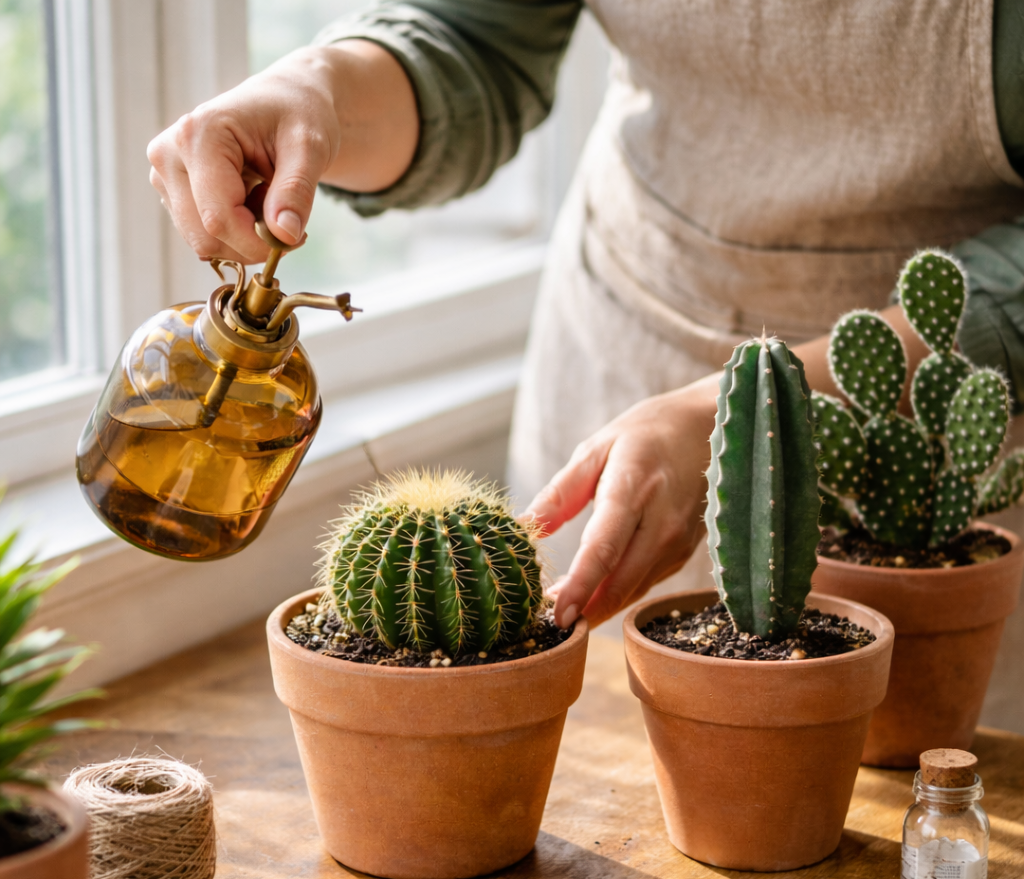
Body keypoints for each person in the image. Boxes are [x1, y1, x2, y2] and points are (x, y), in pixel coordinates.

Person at [149, 0, 1024, 634]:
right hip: (631, 333)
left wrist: (734, 413)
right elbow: (476, 39)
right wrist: (320, 93)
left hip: (941, 406)